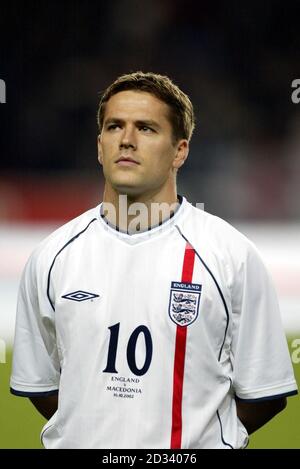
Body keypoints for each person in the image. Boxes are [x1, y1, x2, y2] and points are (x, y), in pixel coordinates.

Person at [10, 72, 298, 449]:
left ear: (180, 151)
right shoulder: (52, 256)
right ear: (100, 146)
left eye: (145, 128)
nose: (126, 140)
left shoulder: (231, 256)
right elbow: (41, 385)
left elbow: (266, 393)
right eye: (115, 126)